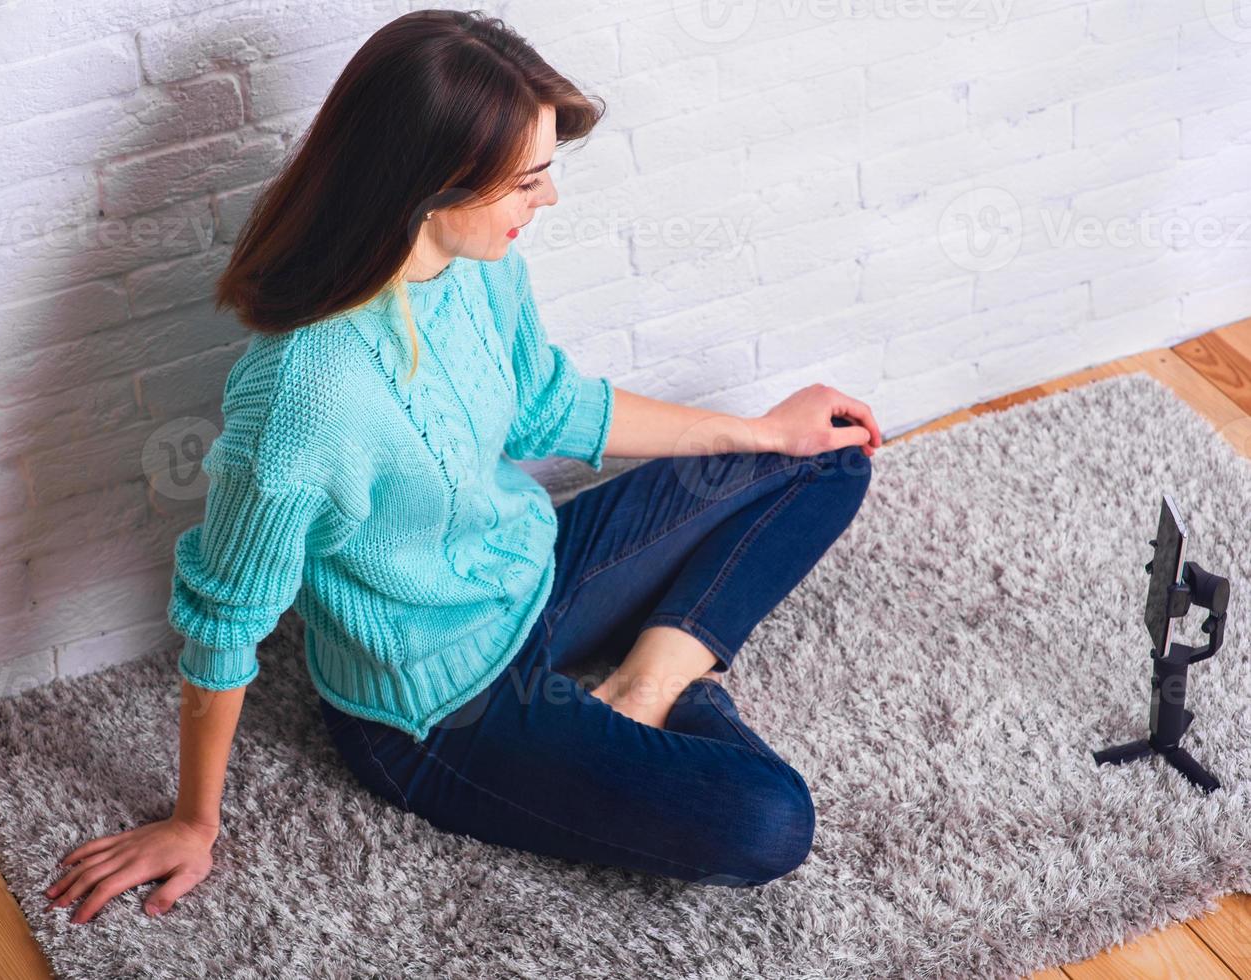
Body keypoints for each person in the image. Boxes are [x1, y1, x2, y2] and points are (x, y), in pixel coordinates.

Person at [44, 9, 880, 925]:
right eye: (527, 181)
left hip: (533, 564)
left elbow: (546, 405)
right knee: (768, 820)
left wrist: (762, 433)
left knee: (824, 460)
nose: (547, 200)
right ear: (432, 185)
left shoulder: (477, 261)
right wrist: (191, 821)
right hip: (441, 705)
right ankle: (648, 685)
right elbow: (225, 616)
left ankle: (643, 687)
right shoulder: (306, 396)